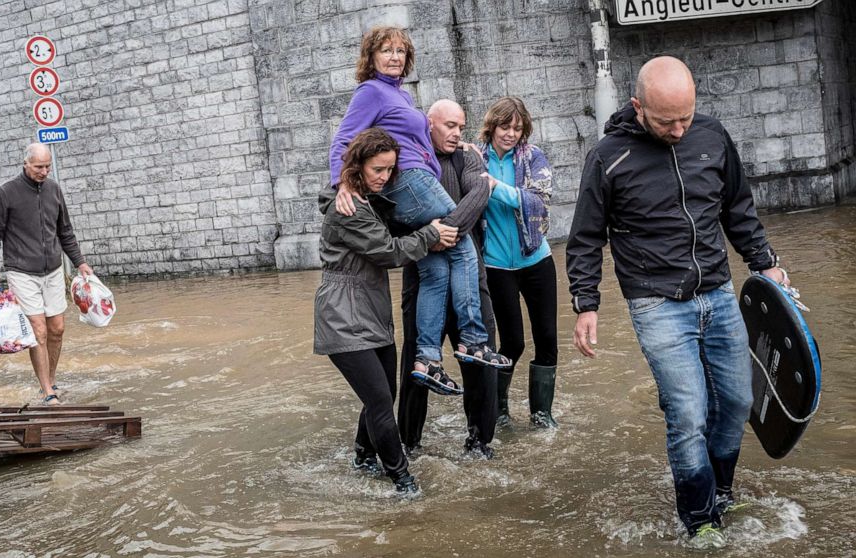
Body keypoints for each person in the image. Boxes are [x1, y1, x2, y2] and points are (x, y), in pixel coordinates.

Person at [565, 56, 788, 547]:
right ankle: (699, 518)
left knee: (736, 401)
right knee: (687, 412)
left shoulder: (711, 136)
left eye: (686, 117)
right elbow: (584, 237)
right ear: (638, 106)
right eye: (667, 120)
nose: (680, 129)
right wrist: (586, 303)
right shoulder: (608, 157)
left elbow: (738, 209)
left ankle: (722, 493)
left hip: (719, 291)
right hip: (656, 303)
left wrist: (764, 262)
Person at [329, 26, 510, 389]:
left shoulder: (398, 95)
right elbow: (344, 139)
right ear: (371, 56)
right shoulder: (371, 92)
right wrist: (343, 182)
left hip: (409, 185)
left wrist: (459, 147)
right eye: (386, 50)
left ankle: (427, 359)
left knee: (436, 273)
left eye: (400, 51)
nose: (395, 57)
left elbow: (420, 139)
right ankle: (474, 341)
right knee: (463, 248)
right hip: (411, 183)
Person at [314, 128, 458, 495]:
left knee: (382, 395)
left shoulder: (362, 197)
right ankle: (403, 481)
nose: (385, 177)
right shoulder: (348, 209)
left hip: (371, 311)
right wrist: (430, 234)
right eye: (378, 169)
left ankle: (363, 456)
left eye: (391, 170)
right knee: (379, 401)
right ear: (357, 165)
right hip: (342, 317)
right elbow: (389, 252)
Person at [397, 99, 500, 458]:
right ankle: (408, 443)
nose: (457, 134)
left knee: (481, 360)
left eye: (461, 127)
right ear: (428, 124)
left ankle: (479, 441)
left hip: (471, 278)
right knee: (417, 363)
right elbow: (396, 215)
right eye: (449, 126)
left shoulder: (467, 157)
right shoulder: (408, 159)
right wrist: (429, 236)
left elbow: (480, 192)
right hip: (424, 278)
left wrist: (444, 232)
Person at [0, 143, 93, 406]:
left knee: (57, 328)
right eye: (38, 167)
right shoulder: (6, 193)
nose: (44, 171)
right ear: (25, 163)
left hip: (53, 270)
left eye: (47, 167)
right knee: (38, 331)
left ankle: (50, 379)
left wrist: (80, 263)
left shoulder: (54, 189)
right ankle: (47, 391)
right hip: (22, 272)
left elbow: (65, 230)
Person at [475, 97, 559, 429]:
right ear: (491, 126)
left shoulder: (533, 156)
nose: (511, 134)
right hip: (496, 266)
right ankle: (498, 412)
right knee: (512, 342)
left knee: (547, 339)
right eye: (504, 127)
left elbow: (540, 200)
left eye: (517, 128)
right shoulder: (474, 158)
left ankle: (541, 415)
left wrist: (497, 187)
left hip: (536, 260)